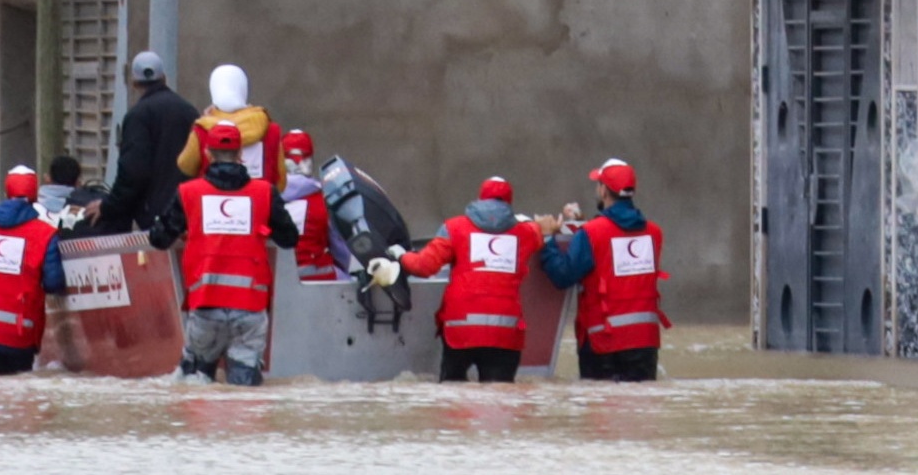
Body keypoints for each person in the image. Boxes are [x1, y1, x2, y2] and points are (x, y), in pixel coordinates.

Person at [149, 119, 299, 385]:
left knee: (196, 391)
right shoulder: (264, 193)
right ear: (241, 155)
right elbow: (289, 239)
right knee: (244, 397)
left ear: (207, 154)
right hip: (250, 309)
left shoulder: (188, 193)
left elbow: (159, 239)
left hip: (206, 307)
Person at [373, 176, 556, 383]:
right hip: (504, 334)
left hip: (461, 329)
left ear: (479, 199)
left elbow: (424, 266)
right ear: (509, 203)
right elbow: (541, 232)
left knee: (454, 402)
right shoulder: (526, 233)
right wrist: (548, 229)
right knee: (501, 406)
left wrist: (399, 255)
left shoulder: (454, 228)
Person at [544, 159, 667, 382]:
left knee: (603, 411)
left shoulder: (592, 234)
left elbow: (563, 276)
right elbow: (615, 251)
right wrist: (582, 225)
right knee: (641, 411)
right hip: (644, 342)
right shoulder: (654, 234)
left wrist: (546, 240)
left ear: (603, 190)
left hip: (602, 342)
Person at [0, 165, 69, 375]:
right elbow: (53, 283)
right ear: (35, 196)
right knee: (18, 401)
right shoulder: (46, 234)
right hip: (19, 334)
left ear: (6, 192)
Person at [97, 51, 198, 235]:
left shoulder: (138, 115)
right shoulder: (189, 111)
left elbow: (133, 171)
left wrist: (108, 207)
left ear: (134, 84)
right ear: (164, 78)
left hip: (152, 217)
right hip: (188, 213)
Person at [173, 63, 281, 182]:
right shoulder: (270, 129)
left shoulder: (204, 128)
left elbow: (186, 166)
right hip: (261, 198)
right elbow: (281, 179)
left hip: (211, 197)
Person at [276, 129, 344, 281]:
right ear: (309, 160)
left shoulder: (264, 195)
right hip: (320, 280)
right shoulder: (325, 198)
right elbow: (340, 248)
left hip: (275, 282)